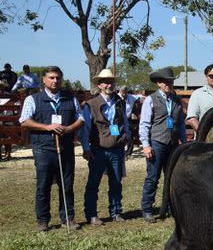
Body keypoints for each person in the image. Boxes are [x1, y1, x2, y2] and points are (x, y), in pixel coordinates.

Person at [18, 66, 84, 231]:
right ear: (44, 80)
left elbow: (81, 118)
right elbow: (25, 121)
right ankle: (43, 220)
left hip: (66, 147)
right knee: (43, 185)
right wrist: (47, 127)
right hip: (43, 148)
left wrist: (69, 128)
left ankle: (68, 218)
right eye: (52, 78)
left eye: (58, 78)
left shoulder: (71, 98)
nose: (55, 81)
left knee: (66, 184)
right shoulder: (33, 99)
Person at [139, 67, 187, 223]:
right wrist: (146, 145)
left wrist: (184, 142)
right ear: (158, 83)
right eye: (165, 81)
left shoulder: (177, 101)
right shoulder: (150, 100)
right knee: (153, 177)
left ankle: (169, 207)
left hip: (172, 144)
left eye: (170, 81)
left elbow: (180, 124)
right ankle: (147, 209)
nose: (168, 84)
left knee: (171, 177)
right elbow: (144, 124)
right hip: (157, 142)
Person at [80, 69, 128, 225]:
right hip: (98, 150)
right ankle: (92, 214)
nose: (109, 85)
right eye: (105, 82)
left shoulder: (120, 102)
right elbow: (86, 129)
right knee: (94, 183)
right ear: (99, 85)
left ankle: (116, 212)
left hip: (117, 149)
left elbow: (125, 123)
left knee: (116, 182)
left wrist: (127, 138)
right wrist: (86, 148)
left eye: (111, 82)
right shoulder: (90, 105)